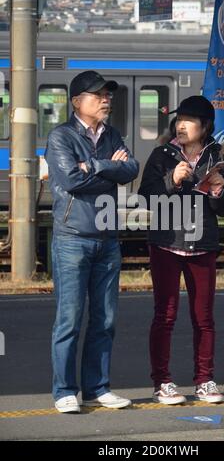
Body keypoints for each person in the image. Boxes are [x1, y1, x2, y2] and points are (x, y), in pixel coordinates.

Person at [45, 70, 139, 413]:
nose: (106, 99)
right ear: (76, 102)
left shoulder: (112, 134)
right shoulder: (61, 137)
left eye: (107, 95)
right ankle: (64, 390)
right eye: (98, 94)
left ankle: (98, 387)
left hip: (107, 239)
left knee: (105, 319)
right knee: (69, 318)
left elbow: (131, 169)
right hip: (72, 238)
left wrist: (94, 166)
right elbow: (70, 180)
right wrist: (107, 170)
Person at [138, 95, 224, 405]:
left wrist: (220, 190)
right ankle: (162, 382)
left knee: (204, 317)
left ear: (205, 126)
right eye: (179, 119)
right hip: (166, 243)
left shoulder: (217, 157)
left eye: (189, 121)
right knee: (165, 316)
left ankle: (204, 380)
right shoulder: (162, 155)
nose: (181, 125)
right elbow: (144, 197)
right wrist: (171, 179)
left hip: (203, 245)